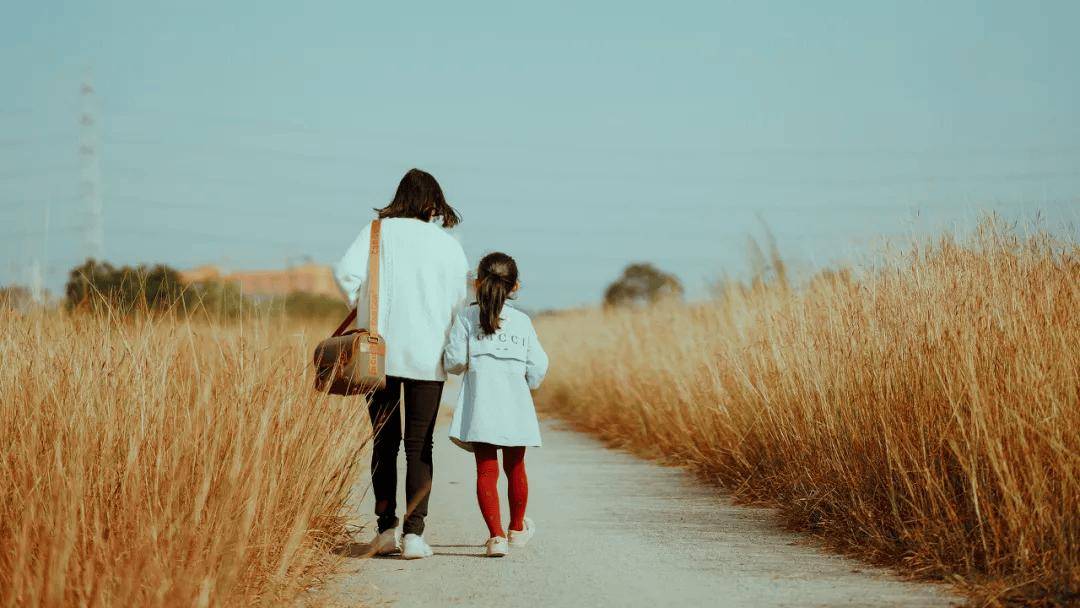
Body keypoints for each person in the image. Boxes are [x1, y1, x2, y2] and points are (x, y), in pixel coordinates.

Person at [334, 169, 469, 560]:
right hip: (430, 357)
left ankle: (385, 530)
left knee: (384, 443)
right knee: (419, 444)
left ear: (400, 198)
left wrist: (363, 309)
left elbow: (344, 272)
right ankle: (414, 535)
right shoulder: (449, 246)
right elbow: (459, 301)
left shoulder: (378, 232)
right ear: (432, 204)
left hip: (380, 353)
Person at [443, 252, 549, 557]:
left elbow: (453, 361)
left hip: (481, 404)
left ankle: (496, 537)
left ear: (477, 283)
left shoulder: (466, 317)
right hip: (515, 403)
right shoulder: (522, 321)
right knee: (516, 466)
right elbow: (539, 365)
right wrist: (523, 383)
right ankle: (517, 529)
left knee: (486, 470)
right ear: (514, 286)